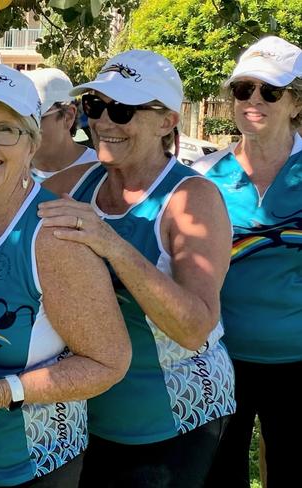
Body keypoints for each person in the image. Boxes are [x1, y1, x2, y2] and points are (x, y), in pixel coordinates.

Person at [37, 50, 235, 488]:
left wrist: (112, 245)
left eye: (123, 110)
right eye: (95, 106)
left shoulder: (192, 199)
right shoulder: (78, 183)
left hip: (173, 416)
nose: (104, 122)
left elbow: (195, 327)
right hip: (91, 414)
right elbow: (6, 208)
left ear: (167, 120)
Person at [0, 64, 131, 488]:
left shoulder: (54, 234)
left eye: (5, 130)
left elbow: (108, 362)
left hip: (29, 465)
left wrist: (6, 391)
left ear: (32, 141)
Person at [193, 36, 302, 488]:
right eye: (243, 89)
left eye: (270, 92)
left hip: (297, 363)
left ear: (296, 103)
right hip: (219, 359)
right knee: (219, 478)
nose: (253, 101)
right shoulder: (203, 178)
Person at [24, 68, 97, 182]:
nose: (23, 129)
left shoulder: (102, 171)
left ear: (68, 117)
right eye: (18, 119)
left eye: (34, 119)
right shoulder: (7, 172)